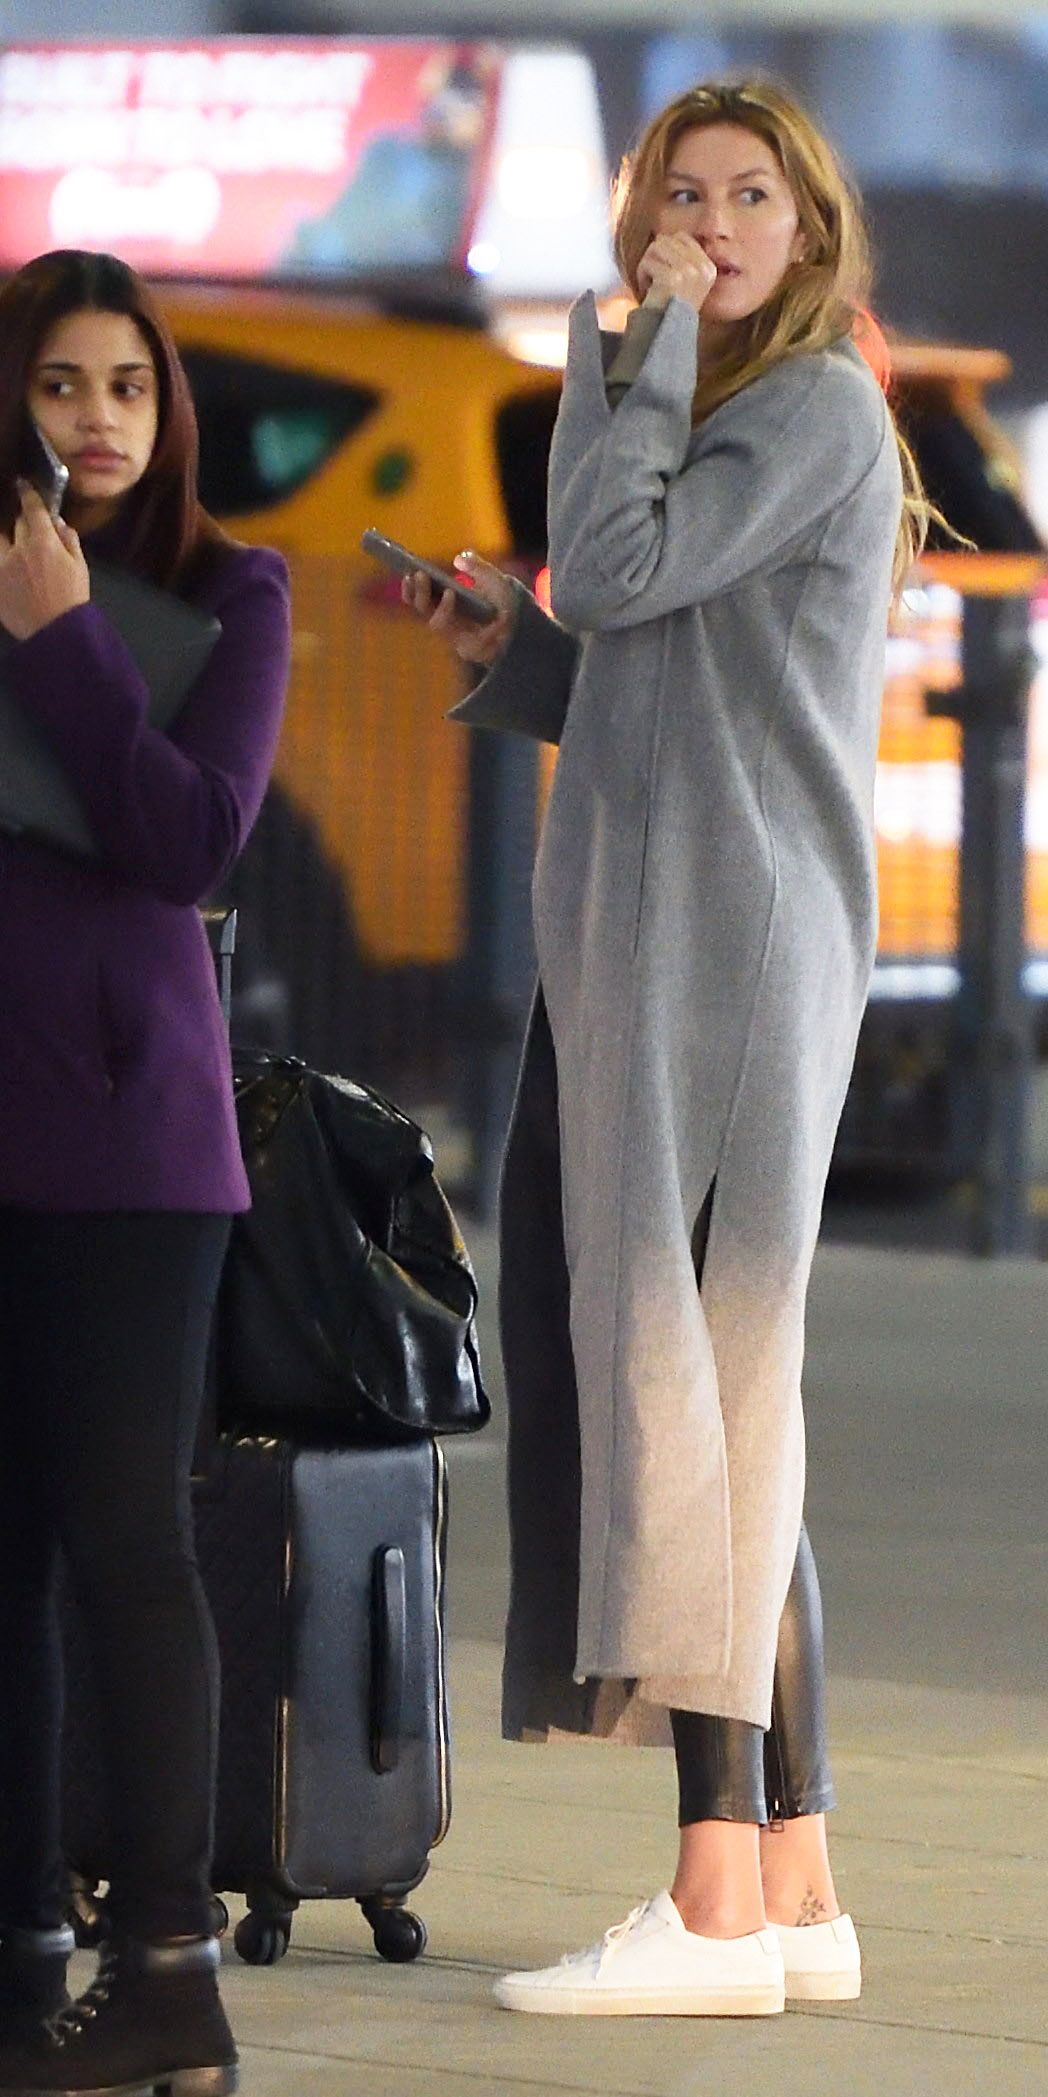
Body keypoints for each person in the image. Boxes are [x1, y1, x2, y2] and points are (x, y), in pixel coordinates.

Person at [407, 78, 924, 2017]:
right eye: (677, 194)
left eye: (746, 196)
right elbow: (650, 655)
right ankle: (790, 1867)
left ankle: (709, 1898)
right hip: (673, 935)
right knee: (728, 1401)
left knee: (683, 1390)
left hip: (724, 950)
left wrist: (626, 360)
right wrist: (507, 653)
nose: (705, 223)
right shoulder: (732, 408)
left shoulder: (803, 401)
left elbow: (616, 570)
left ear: (810, 227)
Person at [0, 250, 291, 2094]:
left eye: (126, 386)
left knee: (129, 1542)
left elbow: (186, 841)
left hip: (129, 1144)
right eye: (56, 386)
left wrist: (65, 639)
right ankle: (23, 1941)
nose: (95, 420)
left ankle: (170, 1960)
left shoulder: (225, 592)